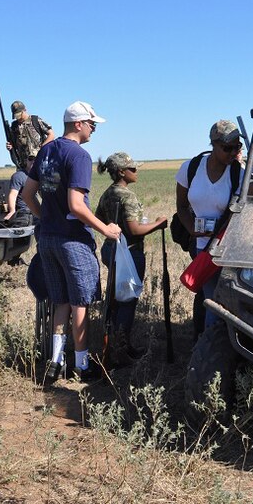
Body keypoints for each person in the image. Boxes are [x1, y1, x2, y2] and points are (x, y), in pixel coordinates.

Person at [21, 101, 121, 382]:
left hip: (48, 239)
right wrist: (105, 229)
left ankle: (55, 362)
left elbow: (28, 194)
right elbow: (76, 205)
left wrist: (46, 219)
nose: (93, 130)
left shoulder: (46, 151)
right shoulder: (79, 156)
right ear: (79, 124)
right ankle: (82, 365)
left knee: (60, 301)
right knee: (80, 303)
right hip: (73, 241)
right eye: (92, 125)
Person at [94, 152, 167, 365]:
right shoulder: (127, 196)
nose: (136, 171)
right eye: (132, 169)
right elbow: (135, 230)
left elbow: (99, 219)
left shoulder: (108, 193)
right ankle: (121, 349)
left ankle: (117, 344)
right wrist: (158, 224)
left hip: (110, 249)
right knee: (128, 299)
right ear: (121, 172)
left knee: (117, 299)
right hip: (129, 252)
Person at [175, 120, 245, 335]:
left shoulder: (238, 174)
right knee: (211, 299)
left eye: (237, 147)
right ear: (213, 144)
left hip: (229, 249)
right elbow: (182, 206)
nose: (233, 152)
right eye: (227, 148)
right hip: (203, 248)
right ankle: (207, 348)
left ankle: (214, 347)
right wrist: (192, 230)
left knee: (225, 301)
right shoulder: (191, 168)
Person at [6, 100, 55, 170]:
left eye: (19, 115)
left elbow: (51, 135)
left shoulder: (36, 120)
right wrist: (10, 147)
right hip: (24, 166)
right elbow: (13, 144)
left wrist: (42, 148)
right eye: (16, 116)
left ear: (25, 110)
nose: (18, 118)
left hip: (40, 163)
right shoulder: (14, 126)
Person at [0, 154, 36, 227]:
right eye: (30, 159)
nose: (33, 161)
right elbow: (13, 195)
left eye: (36, 159)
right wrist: (12, 211)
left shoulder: (42, 176)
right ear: (26, 160)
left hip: (37, 211)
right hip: (24, 212)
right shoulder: (19, 176)